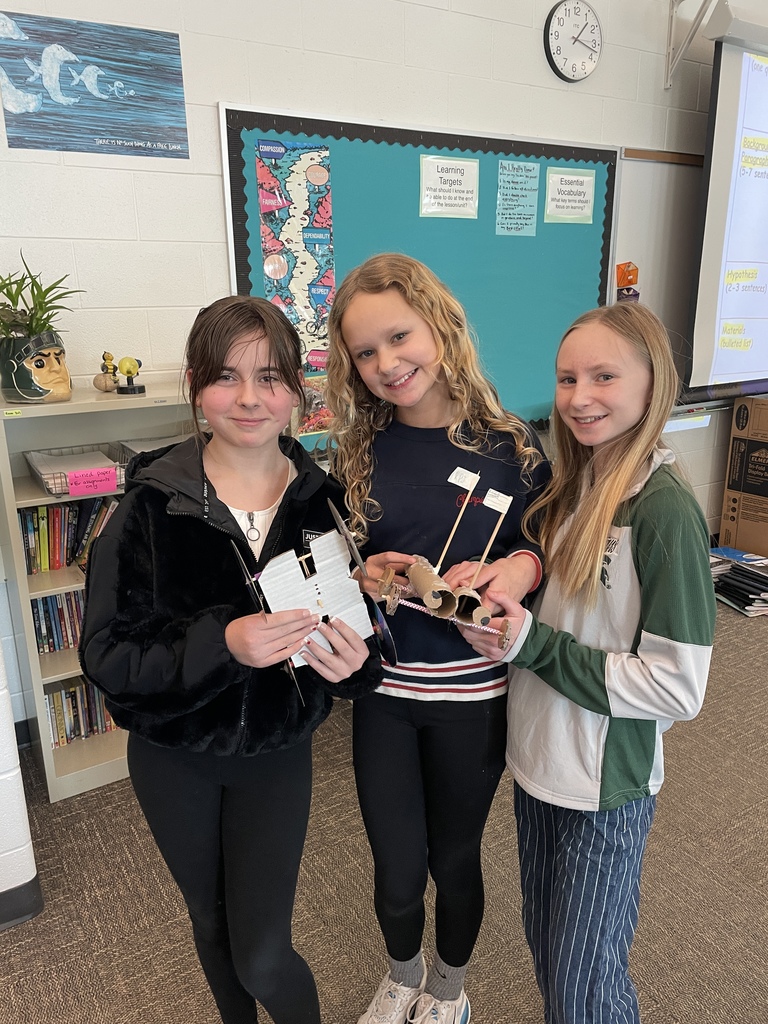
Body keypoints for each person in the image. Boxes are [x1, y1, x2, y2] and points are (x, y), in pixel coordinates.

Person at [79, 295, 383, 1024]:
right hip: (174, 755)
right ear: (195, 385)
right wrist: (225, 642)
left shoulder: (326, 504)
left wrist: (356, 670)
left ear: (298, 393)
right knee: (211, 927)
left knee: (264, 954)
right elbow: (107, 656)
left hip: (275, 758)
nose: (249, 398)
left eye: (271, 377)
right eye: (226, 376)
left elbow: (361, 643)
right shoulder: (150, 507)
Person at [460, 302, 716, 1024]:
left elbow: (677, 686)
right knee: (552, 954)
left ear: (651, 383)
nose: (579, 397)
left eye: (604, 376)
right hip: (541, 760)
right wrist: (503, 597)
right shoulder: (571, 484)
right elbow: (565, 607)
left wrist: (534, 646)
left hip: (607, 785)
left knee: (584, 987)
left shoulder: (663, 511)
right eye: (567, 378)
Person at [325, 253, 551, 1024]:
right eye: (365, 352)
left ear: (440, 326)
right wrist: (364, 578)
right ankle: (402, 977)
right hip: (385, 696)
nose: (387, 363)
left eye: (399, 336)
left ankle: (449, 993)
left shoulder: (513, 449)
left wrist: (520, 566)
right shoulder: (362, 450)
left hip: (472, 700)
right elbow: (341, 564)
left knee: (454, 860)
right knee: (395, 870)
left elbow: (548, 550)